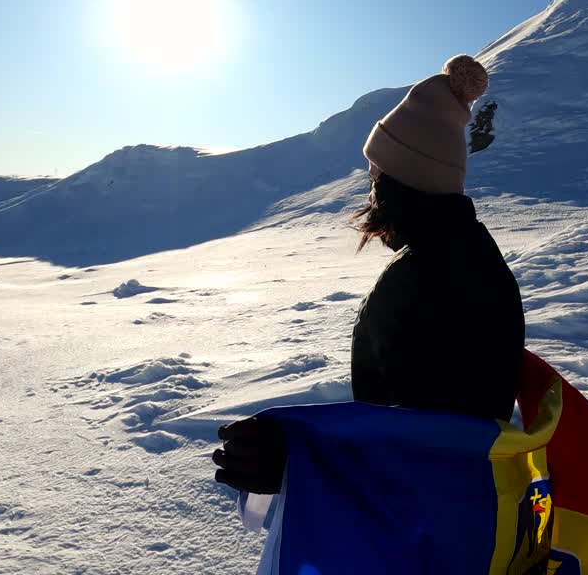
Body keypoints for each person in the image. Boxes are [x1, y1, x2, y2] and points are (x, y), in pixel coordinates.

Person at [214, 54, 526, 495]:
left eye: (377, 173)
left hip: (430, 518)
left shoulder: (420, 280)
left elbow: (419, 446)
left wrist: (298, 464)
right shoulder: (473, 255)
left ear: (401, 180)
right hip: (469, 501)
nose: (371, 186)